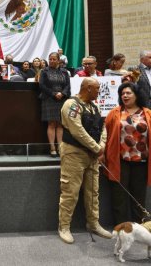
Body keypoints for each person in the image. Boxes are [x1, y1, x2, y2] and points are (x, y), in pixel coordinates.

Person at [58, 77, 112, 244]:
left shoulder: (94, 107)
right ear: (88, 88)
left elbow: (103, 128)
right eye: (96, 89)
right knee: (70, 192)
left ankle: (93, 223)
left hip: (92, 156)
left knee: (92, 192)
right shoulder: (71, 105)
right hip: (74, 154)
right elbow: (77, 131)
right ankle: (64, 226)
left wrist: (101, 145)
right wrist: (97, 148)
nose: (98, 92)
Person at [105, 82, 151, 224]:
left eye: (128, 93)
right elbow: (106, 134)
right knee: (119, 196)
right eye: (122, 93)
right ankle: (121, 227)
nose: (124, 96)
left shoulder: (147, 113)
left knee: (138, 197)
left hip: (141, 162)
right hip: (120, 160)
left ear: (137, 95)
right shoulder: (115, 113)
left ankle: (139, 227)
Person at [39, 52, 70, 157]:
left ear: (58, 60)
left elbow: (67, 85)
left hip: (62, 99)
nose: (51, 61)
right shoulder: (44, 71)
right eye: (50, 59)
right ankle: (52, 148)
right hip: (49, 99)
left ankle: (60, 147)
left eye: (53, 59)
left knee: (60, 124)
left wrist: (63, 93)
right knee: (52, 123)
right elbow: (42, 86)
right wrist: (53, 94)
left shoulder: (65, 72)